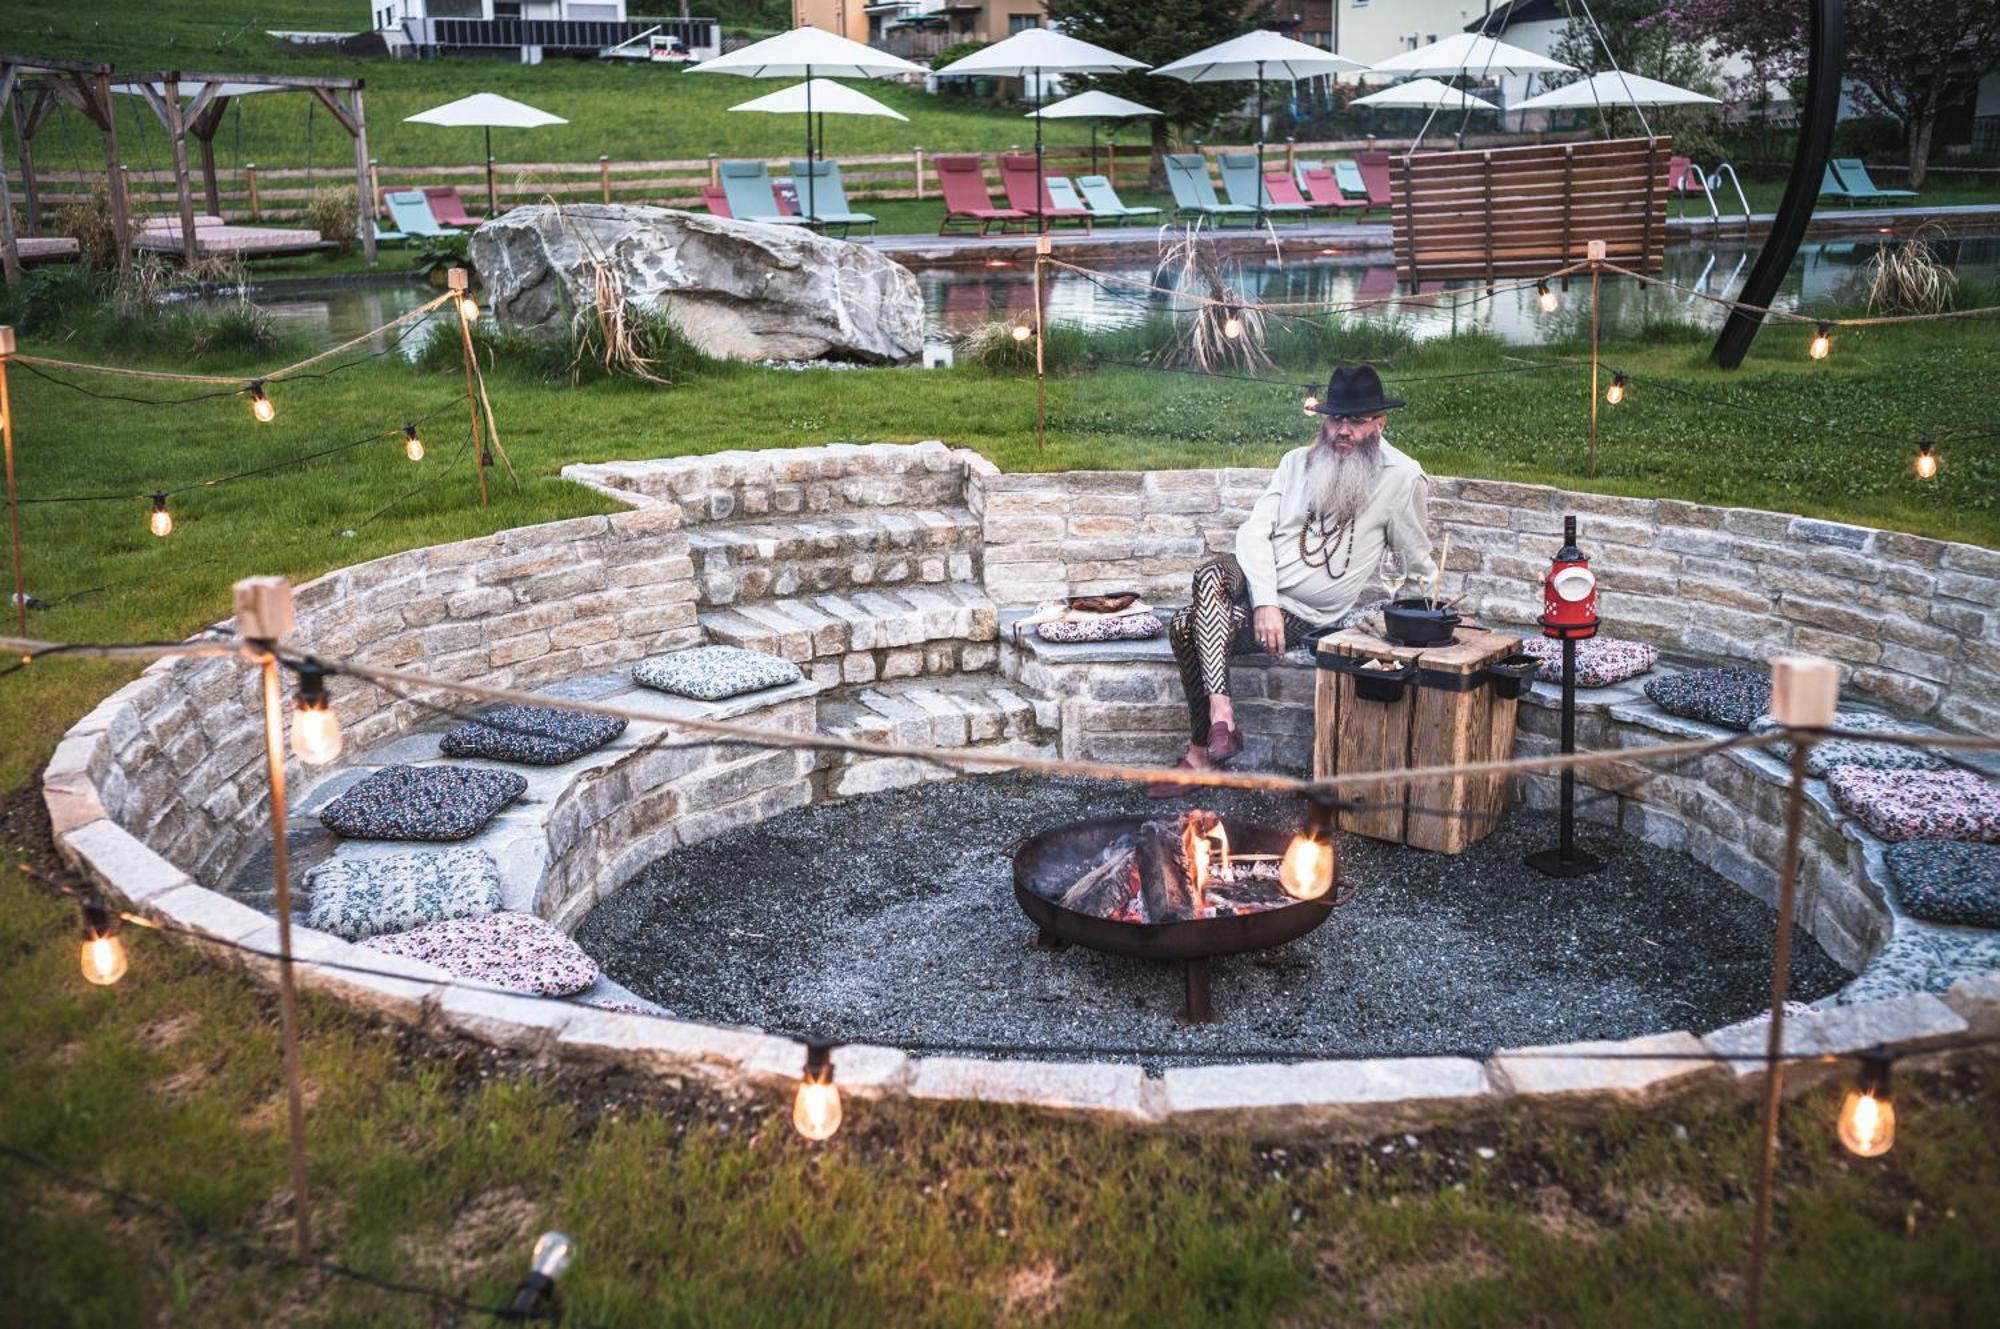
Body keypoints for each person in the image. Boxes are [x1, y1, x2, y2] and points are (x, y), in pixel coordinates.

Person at [1150, 364, 1437, 798]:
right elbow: (1253, 532)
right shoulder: (1297, 462)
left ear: (1380, 422)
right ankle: (1222, 714)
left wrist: (1425, 619)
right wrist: (1264, 600)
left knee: (1185, 626)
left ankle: (1201, 748)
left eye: (1356, 420)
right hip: (1256, 582)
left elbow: (1416, 560)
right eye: (1335, 417)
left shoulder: (1402, 477)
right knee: (1209, 572)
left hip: (1306, 611)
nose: (1343, 430)